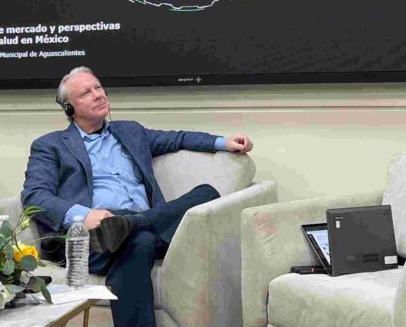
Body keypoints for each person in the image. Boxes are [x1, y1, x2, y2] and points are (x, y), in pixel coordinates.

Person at [21, 66, 254, 327]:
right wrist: (85, 216)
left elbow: (177, 139)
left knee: (206, 193)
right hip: (94, 237)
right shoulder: (50, 145)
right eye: (86, 93)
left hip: (135, 226)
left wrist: (224, 142)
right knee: (139, 241)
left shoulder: (130, 132)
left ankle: (131, 223)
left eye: (98, 87)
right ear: (69, 109)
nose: (98, 95)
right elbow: (35, 196)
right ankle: (129, 224)